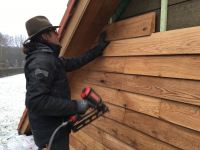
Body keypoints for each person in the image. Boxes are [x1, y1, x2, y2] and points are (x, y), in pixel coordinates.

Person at [22, 16, 109, 150]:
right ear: (45, 36)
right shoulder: (41, 62)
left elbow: (75, 62)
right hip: (50, 133)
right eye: (54, 32)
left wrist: (98, 49)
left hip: (55, 128)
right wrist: (76, 106)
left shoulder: (50, 58)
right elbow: (36, 102)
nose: (58, 35)